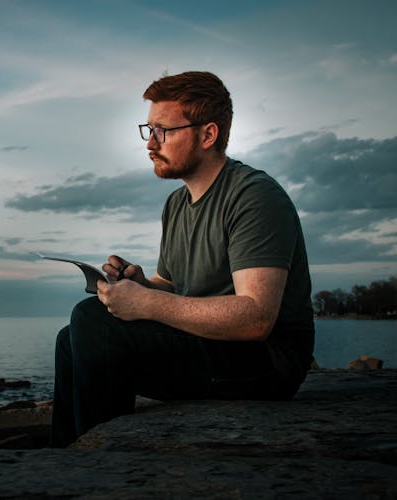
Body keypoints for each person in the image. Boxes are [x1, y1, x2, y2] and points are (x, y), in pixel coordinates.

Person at [50, 71, 315, 448]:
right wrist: (139, 285)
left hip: (266, 362)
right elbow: (173, 289)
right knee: (69, 339)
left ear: (208, 135)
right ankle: (68, 457)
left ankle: (105, 462)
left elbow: (256, 318)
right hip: (210, 345)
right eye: (148, 129)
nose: (150, 143)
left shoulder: (254, 196)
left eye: (164, 131)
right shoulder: (176, 204)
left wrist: (148, 302)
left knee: (92, 322)